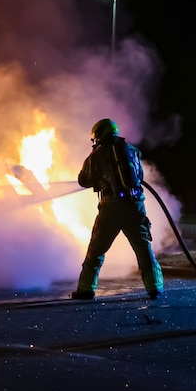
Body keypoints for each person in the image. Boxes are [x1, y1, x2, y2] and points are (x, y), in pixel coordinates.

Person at [72, 118, 164, 301]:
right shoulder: (133, 151)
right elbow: (139, 176)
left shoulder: (96, 155)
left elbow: (83, 180)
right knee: (143, 249)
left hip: (111, 208)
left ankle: (86, 289)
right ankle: (155, 287)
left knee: (96, 250)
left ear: (99, 135)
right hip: (135, 206)